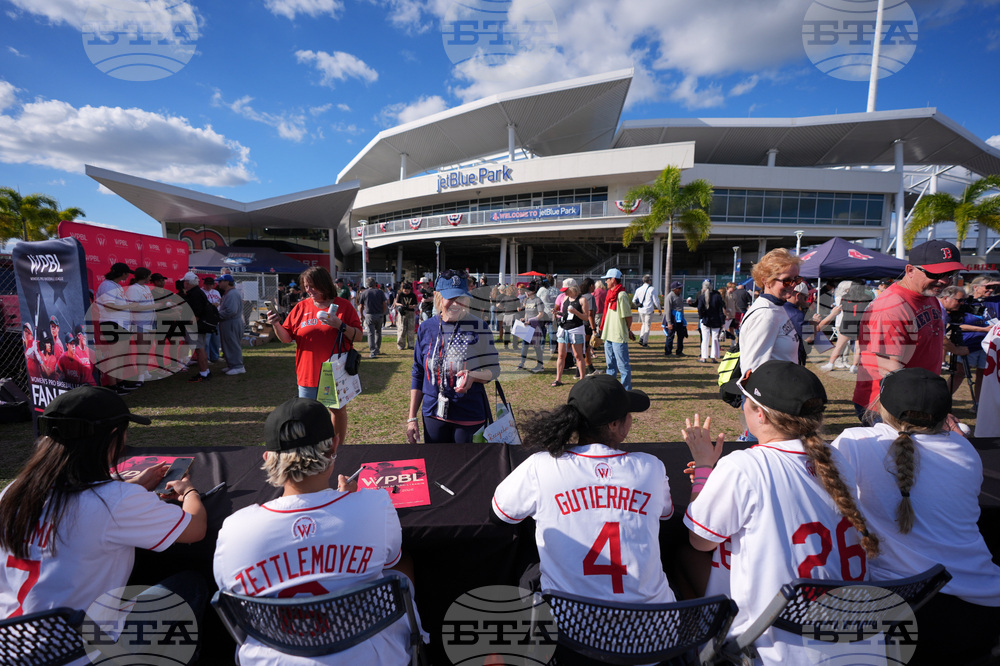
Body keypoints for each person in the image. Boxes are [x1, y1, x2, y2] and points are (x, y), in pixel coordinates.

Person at [683, 361, 878, 665]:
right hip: (843, 634)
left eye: (745, 401)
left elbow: (700, 541)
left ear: (759, 414)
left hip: (780, 645)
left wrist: (705, 470)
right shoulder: (835, 458)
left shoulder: (744, 466)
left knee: (684, 556)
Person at [213, 397, 417, 666]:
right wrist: (350, 504)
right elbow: (391, 561)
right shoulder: (374, 506)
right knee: (400, 563)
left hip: (274, 660)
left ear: (268, 458)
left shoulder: (235, 529)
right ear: (334, 445)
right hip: (371, 656)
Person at [831, 368, 1000, 664]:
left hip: (905, 613)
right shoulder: (964, 450)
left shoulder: (856, 442)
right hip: (982, 608)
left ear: (882, 406)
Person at [0, 386, 206, 622]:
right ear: (114, 435)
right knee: (191, 584)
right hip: (79, 650)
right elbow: (195, 530)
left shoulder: (12, 492)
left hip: (12, 642)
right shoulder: (116, 500)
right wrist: (189, 492)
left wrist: (132, 485)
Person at [492, 374, 676, 603]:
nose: (631, 418)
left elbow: (500, 515)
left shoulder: (540, 466)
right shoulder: (650, 467)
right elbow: (667, 513)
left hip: (571, 629)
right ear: (614, 424)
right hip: (652, 629)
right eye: (628, 414)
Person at [853, 240, 962, 421]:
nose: (944, 280)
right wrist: (926, 408)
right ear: (910, 270)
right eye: (936, 273)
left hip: (914, 398)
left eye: (950, 273)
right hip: (891, 405)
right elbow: (889, 368)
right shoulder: (891, 307)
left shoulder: (927, 294)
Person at [267, 266, 362, 446]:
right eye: (306, 286)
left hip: (335, 372)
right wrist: (276, 324)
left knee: (337, 411)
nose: (308, 290)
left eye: (312, 286)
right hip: (307, 372)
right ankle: (312, 449)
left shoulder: (343, 306)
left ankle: (337, 448)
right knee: (307, 414)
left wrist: (340, 325)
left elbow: (358, 335)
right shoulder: (301, 307)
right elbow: (286, 338)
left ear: (323, 284)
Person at [406, 269, 500, 444]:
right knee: (436, 465)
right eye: (451, 298)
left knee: (470, 467)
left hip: (469, 413)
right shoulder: (426, 328)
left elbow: (494, 370)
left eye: (461, 299)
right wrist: (412, 418)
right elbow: (418, 373)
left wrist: (473, 376)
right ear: (438, 297)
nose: (456, 304)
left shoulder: (479, 327)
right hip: (433, 413)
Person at [739, 248, 802, 372]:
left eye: (796, 279)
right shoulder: (766, 315)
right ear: (766, 281)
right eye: (787, 280)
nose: (793, 284)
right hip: (772, 390)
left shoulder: (777, 306)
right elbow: (752, 369)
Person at [95, 262, 135, 394]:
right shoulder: (107, 285)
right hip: (112, 323)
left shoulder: (115, 285)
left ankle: (119, 382)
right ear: (123, 273)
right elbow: (109, 306)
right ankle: (112, 386)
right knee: (114, 355)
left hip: (120, 324)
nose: (128, 275)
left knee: (120, 355)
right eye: (127, 273)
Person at [598, 268, 635, 389]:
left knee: (623, 365)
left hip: (618, 336)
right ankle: (611, 388)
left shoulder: (621, 295)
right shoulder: (610, 294)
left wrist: (627, 330)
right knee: (610, 365)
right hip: (608, 334)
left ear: (613, 280)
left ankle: (626, 390)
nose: (606, 282)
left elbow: (628, 317)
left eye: (607, 279)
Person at [178, 272, 215, 383]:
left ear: (188, 282)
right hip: (198, 326)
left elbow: (197, 313)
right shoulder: (196, 292)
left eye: (184, 281)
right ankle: (205, 371)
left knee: (199, 349)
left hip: (195, 326)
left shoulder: (195, 294)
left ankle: (204, 373)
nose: (183, 283)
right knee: (200, 348)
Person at [551, 279, 588, 387]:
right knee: (561, 355)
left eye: (566, 290)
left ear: (573, 288)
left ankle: (582, 380)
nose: (564, 292)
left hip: (576, 329)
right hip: (564, 329)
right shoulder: (565, 298)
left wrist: (576, 312)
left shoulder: (582, 300)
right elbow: (565, 314)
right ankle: (558, 379)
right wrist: (558, 313)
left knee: (578, 355)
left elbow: (585, 317)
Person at [125, 267, 155, 384]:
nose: (150, 278)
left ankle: (145, 372)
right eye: (149, 276)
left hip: (150, 322)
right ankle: (140, 377)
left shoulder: (146, 287)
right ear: (144, 276)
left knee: (147, 348)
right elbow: (134, 307)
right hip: (139, 323)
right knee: (142, 349)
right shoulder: (133, 289)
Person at [215, 274, 245, 375]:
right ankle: (232, 365)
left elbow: (231, 311)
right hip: (229, 322)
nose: (218, 283)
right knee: (227, 344)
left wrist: (216, 315)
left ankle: (238, 366)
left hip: (231, 322)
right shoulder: (229, 293)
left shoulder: (232, 294)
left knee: (232, 344)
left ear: (227, 282)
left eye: (220, 281)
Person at [516, 281, 545, 373]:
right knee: (525, 345)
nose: (525, 292)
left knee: (537, 347)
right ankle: (522, 363)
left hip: (535, 327)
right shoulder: (527, 300)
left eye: (527, 291)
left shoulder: (538, 300)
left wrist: (531, 320)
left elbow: (541, 314)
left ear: (532, 291)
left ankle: (540, 365)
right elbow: (526, 313)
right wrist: (524, 319)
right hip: (527, 326)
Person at [696, 280, 725, 363]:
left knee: (705, 339)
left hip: (706, 320)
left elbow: (700, 309)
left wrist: (702, 316)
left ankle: (704, 357)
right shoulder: (717, 297)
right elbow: (720, 310)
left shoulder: (701, 297)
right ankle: (714, 357)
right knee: (715, 339)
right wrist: (722, 321)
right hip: (716, 320)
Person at [358, 276, 388, 358]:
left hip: (369, 315)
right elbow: (384, 304)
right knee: (378, 332)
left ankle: (372, 351)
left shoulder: (364, 293)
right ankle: (377, 349)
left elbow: (361, 306)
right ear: (375, 284)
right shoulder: (380, 292)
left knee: (370, 334)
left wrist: (361, 315)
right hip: (379, 314)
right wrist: (382, 312)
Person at [632, 274, 660, 348]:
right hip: (649, 309)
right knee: (647, 325)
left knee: (643, 324)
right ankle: (645, 342)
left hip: (641, 309)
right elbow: (656, 301)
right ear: (649, 281)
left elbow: (633, 300)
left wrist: (638, 305)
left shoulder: (638, 289)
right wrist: (659, 309)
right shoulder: (652, 289)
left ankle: (641, 338)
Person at [201, 276, 222, 363]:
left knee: (215, 339)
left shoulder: (216, 292)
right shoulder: (201, 292)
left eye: (210, 284)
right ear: (204, 284)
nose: (208, 286)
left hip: (216, 317)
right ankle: (207, 358)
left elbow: (220, 301)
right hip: (206, 318)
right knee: (206, 340)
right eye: (207, 284)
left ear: (213, 285)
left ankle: (215, 356)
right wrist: (212, 305)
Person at [663, 281, 687, 357]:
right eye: (679, 288)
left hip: (679, 319)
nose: (681, 289)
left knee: (681, 335)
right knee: (670, 335)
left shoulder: (679, 296)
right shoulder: (670, 297)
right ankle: (668, 352)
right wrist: (669, 322)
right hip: (672, 318)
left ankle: (679, 351)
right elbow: (667, 310)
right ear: (675, 289)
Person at [394, 281, 418, 350]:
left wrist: (412, 306)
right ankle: (401, 344)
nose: (406, 292)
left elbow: (415, 304)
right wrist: (400, 305)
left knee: (410, 329)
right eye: (405, 290)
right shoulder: (400, 294)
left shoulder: (413, 295)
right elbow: (396, 303)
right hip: (402, 313)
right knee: (402, 329)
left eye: (408, 290)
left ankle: (411, 344)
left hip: (410, 312)